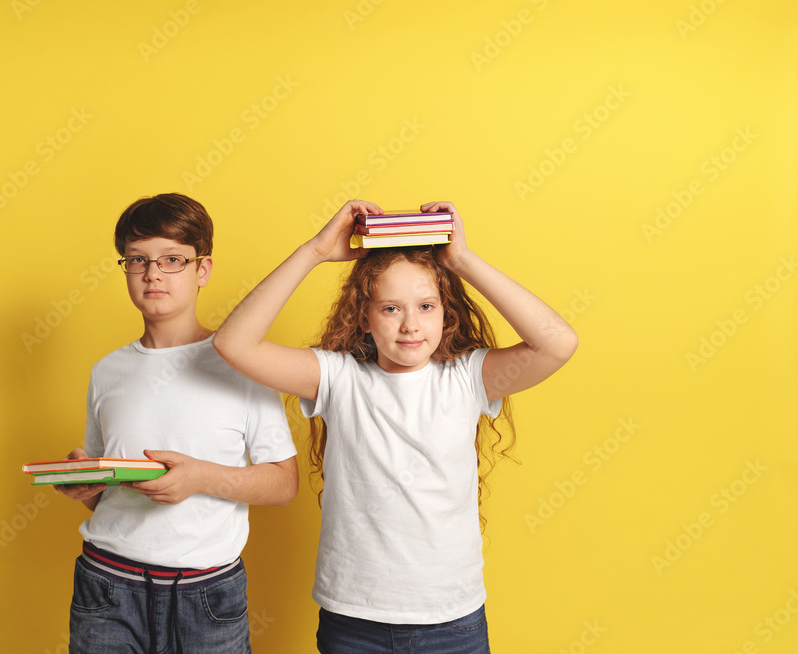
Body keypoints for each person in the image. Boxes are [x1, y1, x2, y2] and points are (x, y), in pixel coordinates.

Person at [213, 199, 578, 653]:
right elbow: (234, 343)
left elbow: (558, 342)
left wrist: (462, 260)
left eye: (426, 306)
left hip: (452, 621)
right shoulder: (338, 379)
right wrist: (315, 251)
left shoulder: (468, 378)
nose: (410, 325)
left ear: (447, 313)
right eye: (390, 309)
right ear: (363, 317)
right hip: (354, 621)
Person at [57, 193, 299, 654]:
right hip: (107, 583)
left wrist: (201, 476)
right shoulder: (107, 371)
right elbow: (106, 492)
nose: (153, 273)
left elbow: (283, 484)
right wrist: (86, 482)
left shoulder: (241, 363)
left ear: (201, 270)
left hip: (206, 593)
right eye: (138, 260)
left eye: (172, 259)